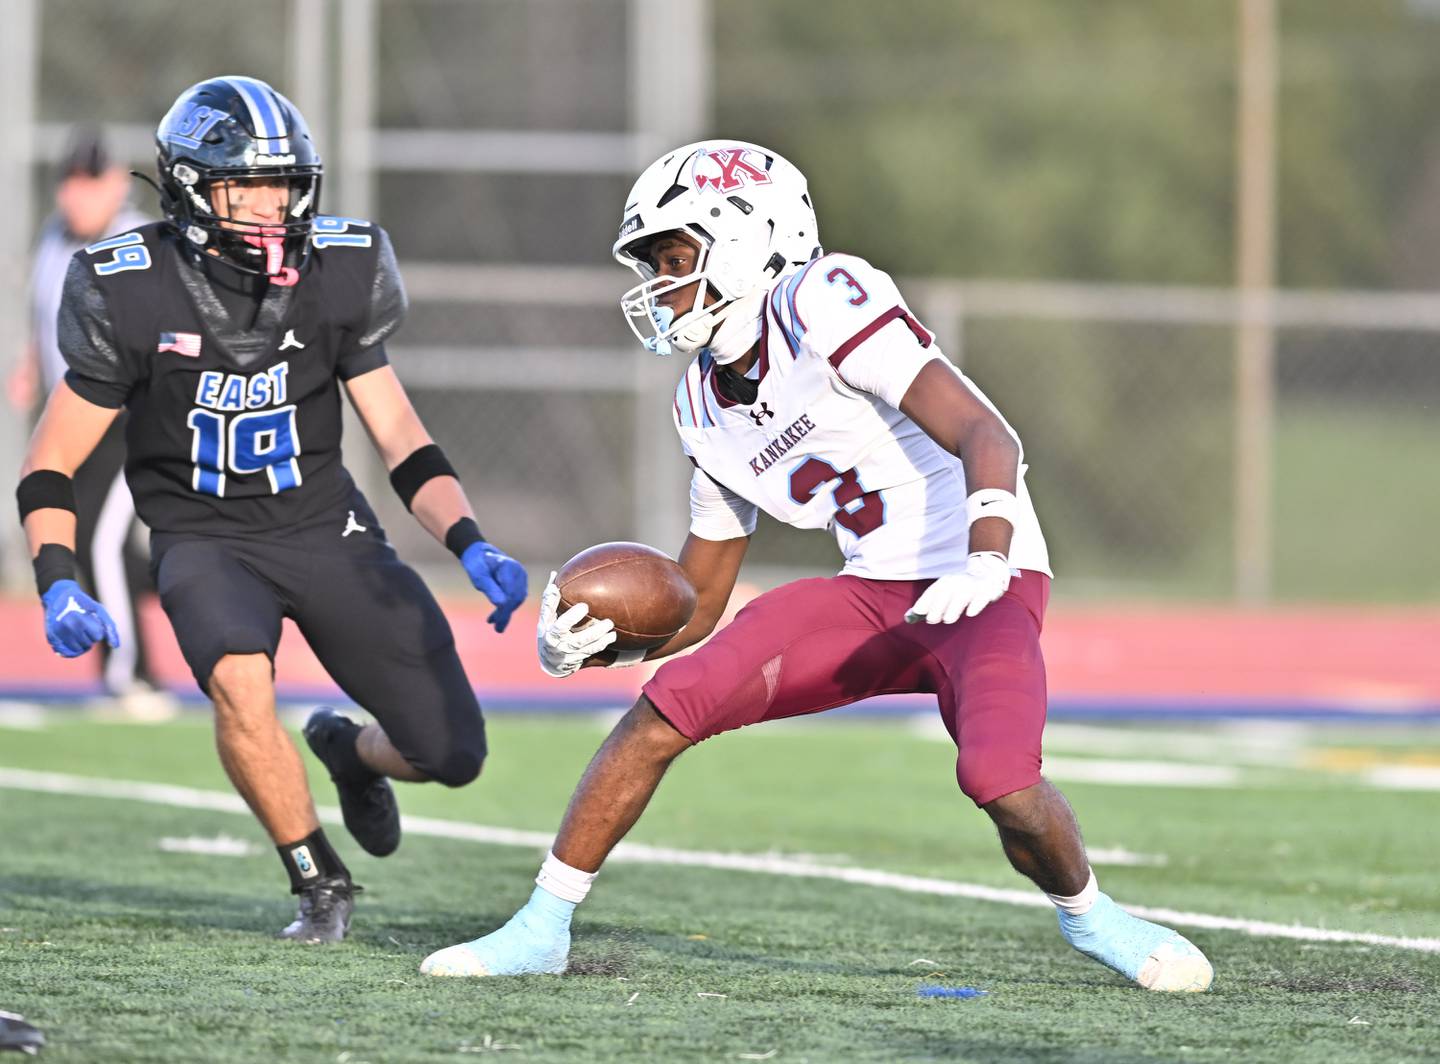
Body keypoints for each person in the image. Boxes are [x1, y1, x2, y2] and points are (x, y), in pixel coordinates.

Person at [420, 141, 1214, 993]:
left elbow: (991, 435)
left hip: (983, 580)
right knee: (662, 711)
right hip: (872, 594)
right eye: (654, 264)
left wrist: (987, 558)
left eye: (677, 257)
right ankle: (542, 926)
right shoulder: (700, 402)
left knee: (999, 780)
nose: (661, 283)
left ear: (749, 240)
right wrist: (599, 646)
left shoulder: (822, 299)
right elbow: (701, 597)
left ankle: (1095, 920)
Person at [15, 76, 527, 944]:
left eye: (283, 185)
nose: (269, 206)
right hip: (205, 535)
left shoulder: (342, 269)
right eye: (245, 186)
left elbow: (401, 434)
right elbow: (50, 463)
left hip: (325, 525)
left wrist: (471, 541)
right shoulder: (128, 287)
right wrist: (58, 580)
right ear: (188, 191)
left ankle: (347, 750)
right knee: (240, 683)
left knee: (453, 755)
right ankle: (318, 879)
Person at [10, 129, 165, 711]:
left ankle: (132, 677)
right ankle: (184, 586)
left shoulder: (138, 242)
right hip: (73, 421)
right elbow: (45, 310)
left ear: (113, 183)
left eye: (89, 182)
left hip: (130, 421)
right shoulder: (54, 238)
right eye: (70, 182)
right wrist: (30, 363)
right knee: (108, 548)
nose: (77, 196)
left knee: (101, 545)